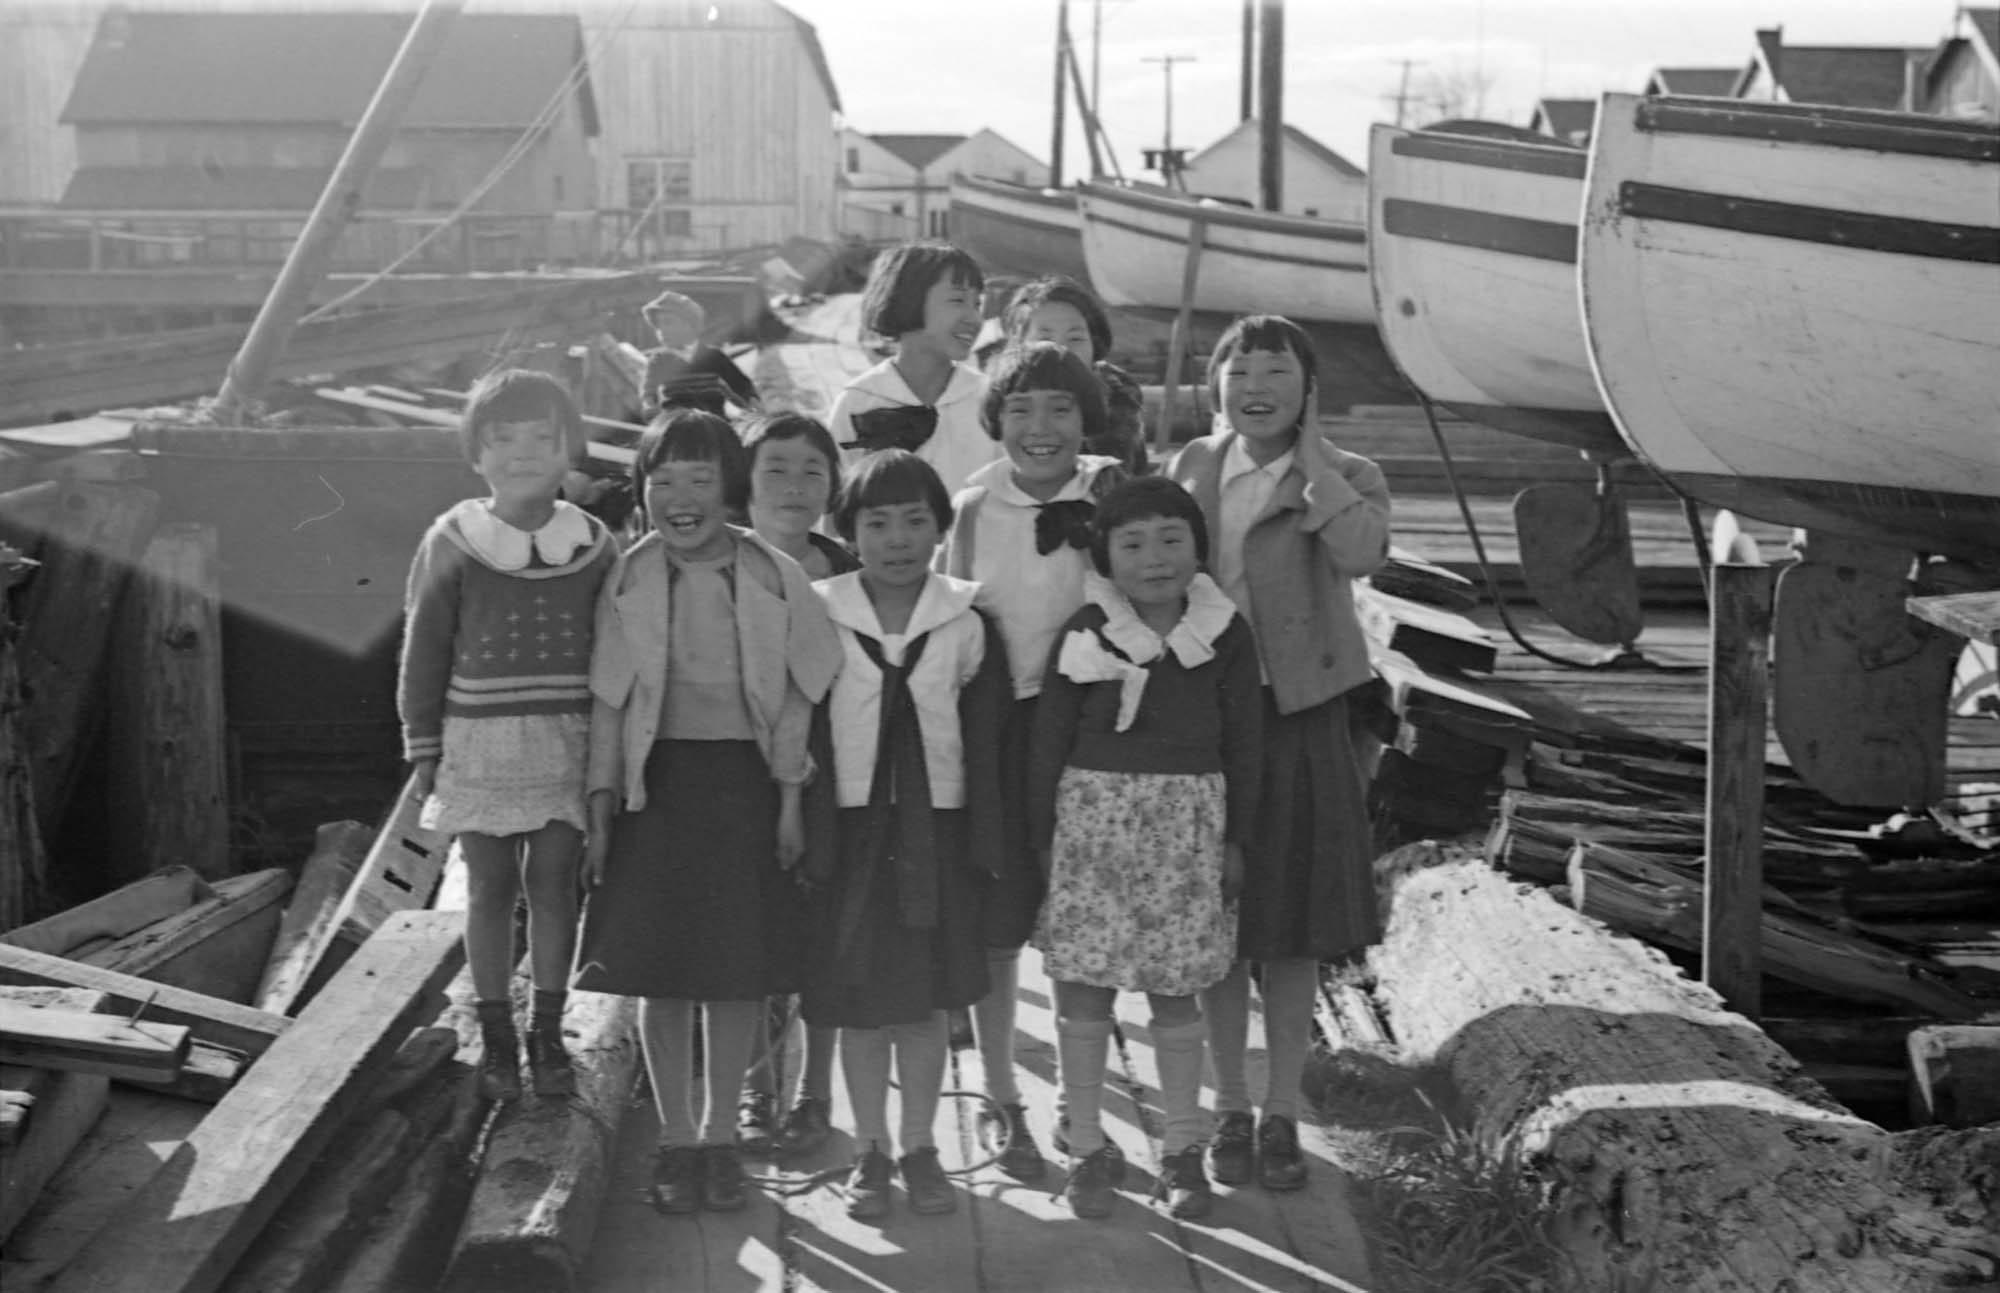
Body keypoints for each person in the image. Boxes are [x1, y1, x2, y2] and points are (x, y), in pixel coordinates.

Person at [574, 408, 843, 1216]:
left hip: (747, 786)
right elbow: (609, 704)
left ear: (731, 486)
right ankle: (677, 1139)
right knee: (662, 976)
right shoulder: (628, 573)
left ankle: (722, 1136)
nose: (680, 497)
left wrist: (792, 802)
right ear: (642, 491)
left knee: (734, 973)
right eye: (662, 482)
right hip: (656, 790)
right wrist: (600, 809)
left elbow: (801, 694)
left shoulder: (772, 575)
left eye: (699, 479)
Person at [1167, 315, 1391, 1193]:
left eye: (1277, 371)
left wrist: (1317, 469)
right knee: (1218, 926)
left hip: (1297, 714)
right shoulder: (1190, 466)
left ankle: (1284, 1113)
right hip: (1205, 718)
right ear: (1215, 384)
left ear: (1308, 389)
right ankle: (1229, 1106)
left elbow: (1363, 553)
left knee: (1291, 930)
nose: (1256, 386)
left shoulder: (1348, 475)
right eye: (1239, 370)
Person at [1027, 476, 1262, 1220]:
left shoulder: (1224, 632)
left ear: (1198, 547)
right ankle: (1090, 1143)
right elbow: (1047, 743)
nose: (1154, 558)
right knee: (1086, 982)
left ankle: (1182, 1147)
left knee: (1174, 983)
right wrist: (1042, 841)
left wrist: (1238, 840)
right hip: (1092, 823)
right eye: (1132, 543)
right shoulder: (1087, 629)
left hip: (1187, 826)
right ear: (1105, 555)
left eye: (1172, 539)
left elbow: (1247, 744)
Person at [933, 341, 1127, 1182]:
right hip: (1006, 724)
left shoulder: (1115, 489)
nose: (1039, 428)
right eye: (1019, 410)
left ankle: (1082, 1109)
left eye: (1059, 409)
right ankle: (1003, 1093)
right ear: (995, 421)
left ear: (1086, 421)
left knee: (1091, 918)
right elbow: (951, 620)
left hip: (1102, 722)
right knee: (1000, 916)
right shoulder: (974, 506)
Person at [800, 449, 1011, 1221]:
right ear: (848, 531)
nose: (897, 538)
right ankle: (869, 1152)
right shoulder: (820, 611)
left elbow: (985, 741)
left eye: (915, 520)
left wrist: (986, 843)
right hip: (851, 832)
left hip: (936, 832)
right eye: (877, 522)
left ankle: (921, 1146)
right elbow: (803, 728)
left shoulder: (966, 622)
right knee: (861, 1002)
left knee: (922, 1003)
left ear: (940, 527)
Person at [398, 368, 617, 1102]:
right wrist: (421, 742)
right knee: (489, 886)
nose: (523, 452)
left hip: (567, 734)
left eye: (541, 437)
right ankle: (495, 1030)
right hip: (479, 737)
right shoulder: (453, 538)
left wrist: (611, 754)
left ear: (568, 450)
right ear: (476, 453)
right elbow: (424, 643)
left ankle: (547, 1031)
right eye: (503, 438)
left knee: (555, 884)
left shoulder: (593, 542)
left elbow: (616, 651)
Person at [733, 410, 856, 1159]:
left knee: (827, 932)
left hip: (833, 769)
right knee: (750, 931)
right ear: (743, 482)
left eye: (813, 469)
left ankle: (814, 1092)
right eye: (775, 466)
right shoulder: (722, 561)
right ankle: (755, 1086)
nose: (794, 485)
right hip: (740, 770)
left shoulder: (848, 566)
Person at [827, 242, 1001, 499]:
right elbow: (833, 506)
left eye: (977, 304)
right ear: (908, 299)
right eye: (957, 300)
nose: (973, 318)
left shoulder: (990, 401)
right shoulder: (859, 400)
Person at [998, 275, 1149, 475]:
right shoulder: (997, 397)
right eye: (1045, 338)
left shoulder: (1119, 393)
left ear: (1095, 344)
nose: (1062, 350)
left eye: (1075, 338)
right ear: (1019, 344)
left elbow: (1118, 477)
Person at [638, 289, 760, 419]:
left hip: (715, 422)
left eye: (668, 322)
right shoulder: (658, 361)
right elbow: (649, 393)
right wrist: (649, 406)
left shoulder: (714, 357)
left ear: (689, 325)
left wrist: (752, 405)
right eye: (657, 326)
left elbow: (742, 387)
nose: (661, 331)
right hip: (676, 425)